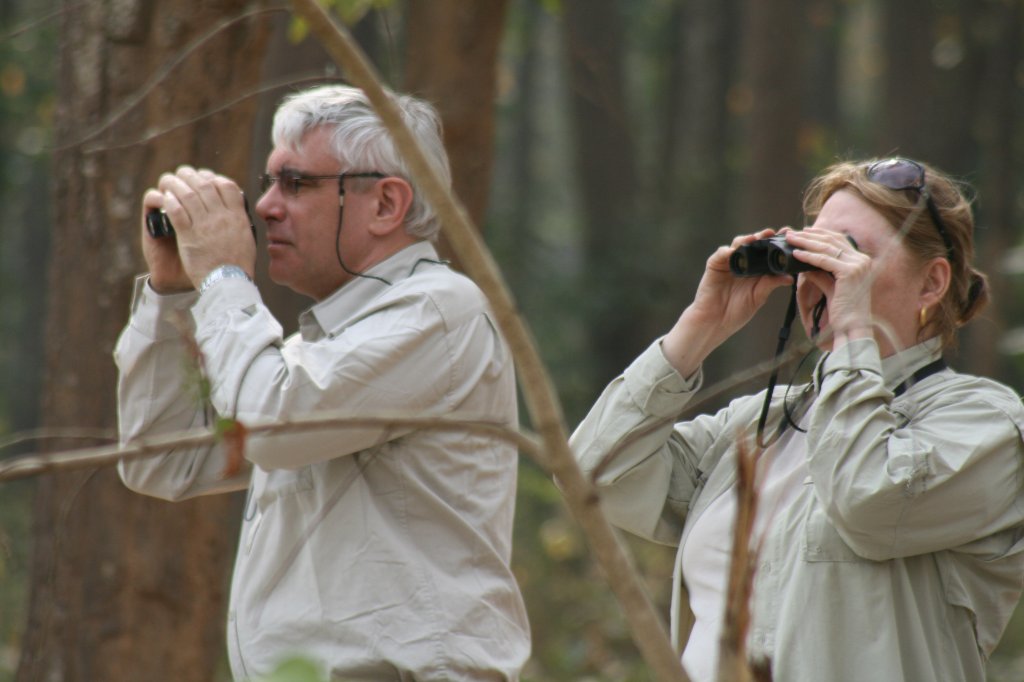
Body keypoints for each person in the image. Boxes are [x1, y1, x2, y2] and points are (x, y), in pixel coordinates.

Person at [115, 84, 530, 680]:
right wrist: (173, 294)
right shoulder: (312, 351)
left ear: (386, 204)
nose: (264, 208)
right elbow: (161, 460)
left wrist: (225, 278)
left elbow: (269, 427)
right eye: (267, 183)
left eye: (297, 183)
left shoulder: (438, 312)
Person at [570, 157, 1024, 681]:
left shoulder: (985, 424)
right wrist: (701, 326)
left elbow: (867, 499)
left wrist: (854, 329)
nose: (824, 272)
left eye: (849, 255)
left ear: (932, 284)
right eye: (813, 251)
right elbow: (594, 476)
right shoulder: (761, 426)